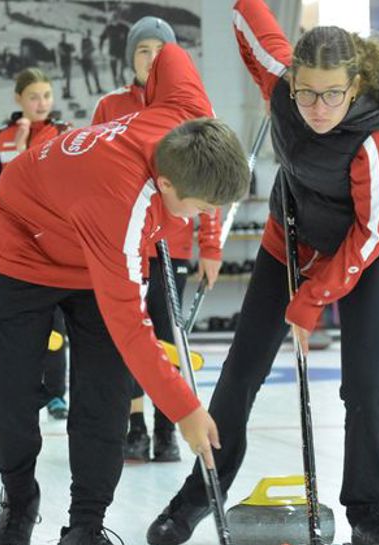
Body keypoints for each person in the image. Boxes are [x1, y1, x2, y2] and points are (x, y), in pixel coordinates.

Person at [146, 0, 379, 545]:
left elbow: (370, 234)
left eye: (332, 94)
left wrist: (313, 299)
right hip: (289, 237)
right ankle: (198, 497)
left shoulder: (377, 141)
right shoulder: (284, 83)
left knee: (363, 382)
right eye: (306, 93)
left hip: (369, 253)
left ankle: (368, 511)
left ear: (356, 83)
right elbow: (252, 25)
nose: (317, 107)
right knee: (241, 371)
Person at [0, 43, 250, 545]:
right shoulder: (124, 204)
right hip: (21, 246)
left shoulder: (185, 115)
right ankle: (18, 497)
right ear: (166, 184)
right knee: (11, 398)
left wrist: (152, 85)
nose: (203, 217)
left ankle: (83, 532)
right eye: (199, 209)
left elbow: (170, 53)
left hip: (92, 246)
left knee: (104, 394)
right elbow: (132, 326)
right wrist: (185, 408)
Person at [94, 16, 223, 463]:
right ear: (130, 56)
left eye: (159, 51)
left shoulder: (186, 107)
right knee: (128, 333)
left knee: (167, 336)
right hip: (121, 243)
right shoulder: (111, 106)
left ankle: (168, 427)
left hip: (172, 243)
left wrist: (211, 246)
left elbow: (212, 176)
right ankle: (134, 426)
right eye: (142, 49)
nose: (151, 58)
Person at [0, 68, 72, 428]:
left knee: (56, 322)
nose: (41, 103)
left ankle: (55, 393)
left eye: (47, 96)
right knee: (3, 321)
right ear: (19, 99)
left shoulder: (64, 135)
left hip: (54, 245)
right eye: (34, 96)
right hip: (11, 247)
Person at [99, 15, 130, 89]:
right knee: (114, 74)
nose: (114, 20)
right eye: (112, 19)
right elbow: (102, 38)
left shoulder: (124, 27)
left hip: (122, 53)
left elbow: (131, 37)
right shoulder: (108, 28)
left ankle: (125, 90)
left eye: (116, 18)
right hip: (112, 53)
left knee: (121, 73)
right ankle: (117, 90)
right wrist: (100, 48)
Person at [80, 29, 102, 95]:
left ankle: (96, 88)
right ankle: (90, 90)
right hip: (85, 60)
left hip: (89, 60)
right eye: (88, 33)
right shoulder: (84, 40)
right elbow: (83, 51)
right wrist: (90, 49)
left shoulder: (89, 40)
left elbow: (91, 50)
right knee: (88, 76)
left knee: (94, 75)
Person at [58, 33, 75, 99]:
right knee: (64, 78)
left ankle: (68, 93)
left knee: (68, 79)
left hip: (68, 63)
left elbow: (73, 49)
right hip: (63, 63)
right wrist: (69, 49)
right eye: (62, 37)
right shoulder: (60, 45)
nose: (63, 38)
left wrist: (71, 47)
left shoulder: (67, 45)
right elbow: (62, 53)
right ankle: (64, 93)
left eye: (64, 37)